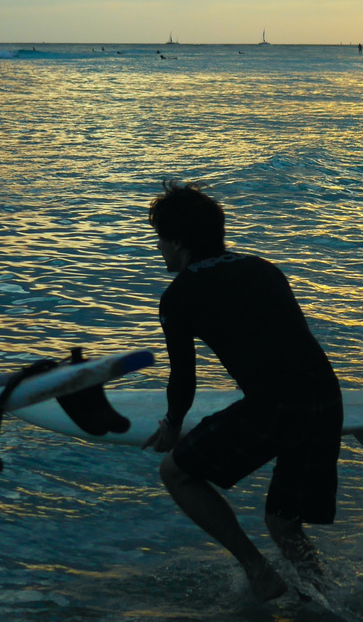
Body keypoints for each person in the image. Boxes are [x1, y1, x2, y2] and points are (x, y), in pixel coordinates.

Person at [144, 182, 343, 601]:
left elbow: (184, 377)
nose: (159, 250)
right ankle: (327, 601)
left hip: (276, 405)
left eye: (160, 240)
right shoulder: (262, 268)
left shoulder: (178, 296)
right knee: (283, 522)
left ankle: (258, 570)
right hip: (324, 398)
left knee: (175, 473)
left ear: (178, 242)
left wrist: (172, 424)